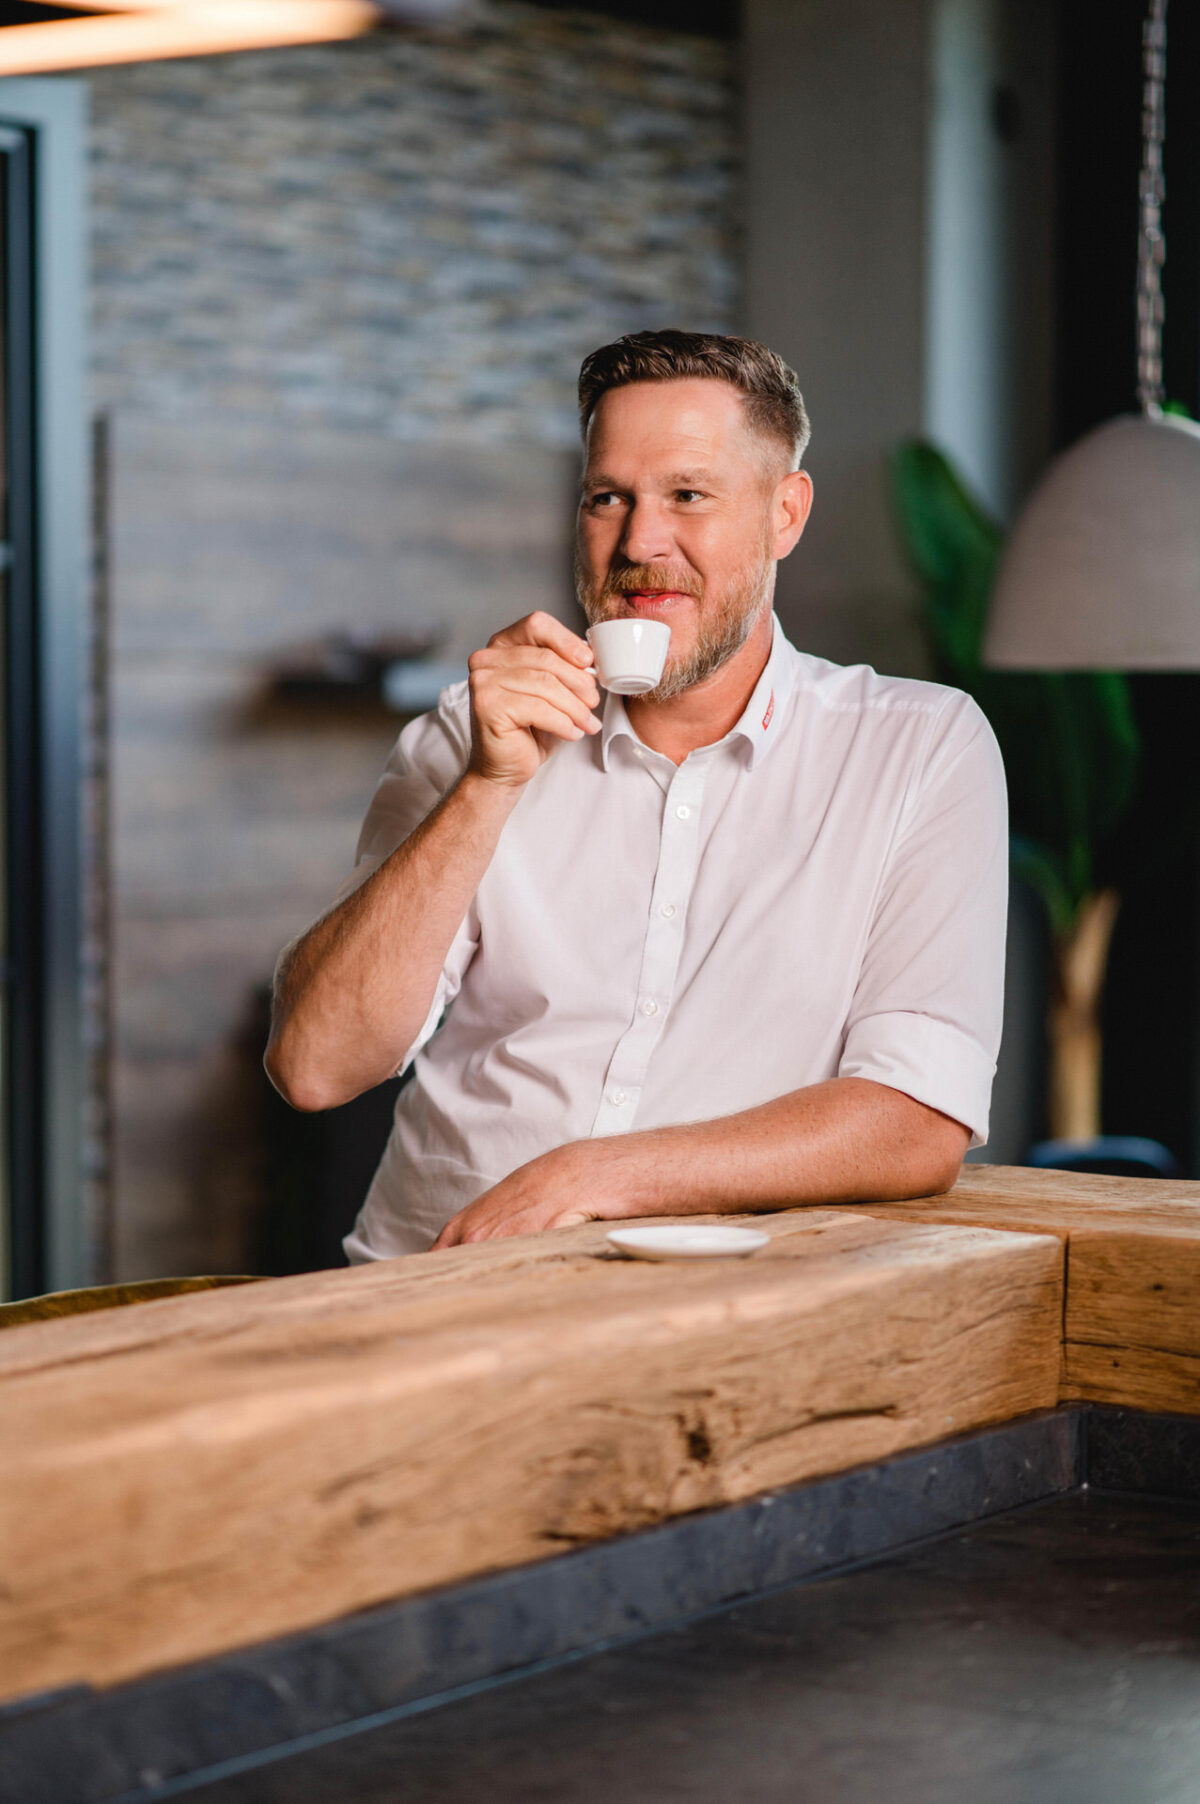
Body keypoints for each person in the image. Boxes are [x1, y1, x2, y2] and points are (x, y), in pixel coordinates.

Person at [266, 330, 1007, 1258]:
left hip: (710, 1315)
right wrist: (490, 785)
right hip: (428, 1289)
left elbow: (913, 1118)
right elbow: (315, 1065)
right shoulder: (471, 735)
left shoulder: (919, 747)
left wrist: (595, 1173)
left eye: (688, 495)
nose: (639, 542)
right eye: (607, 498)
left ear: (786, 513)